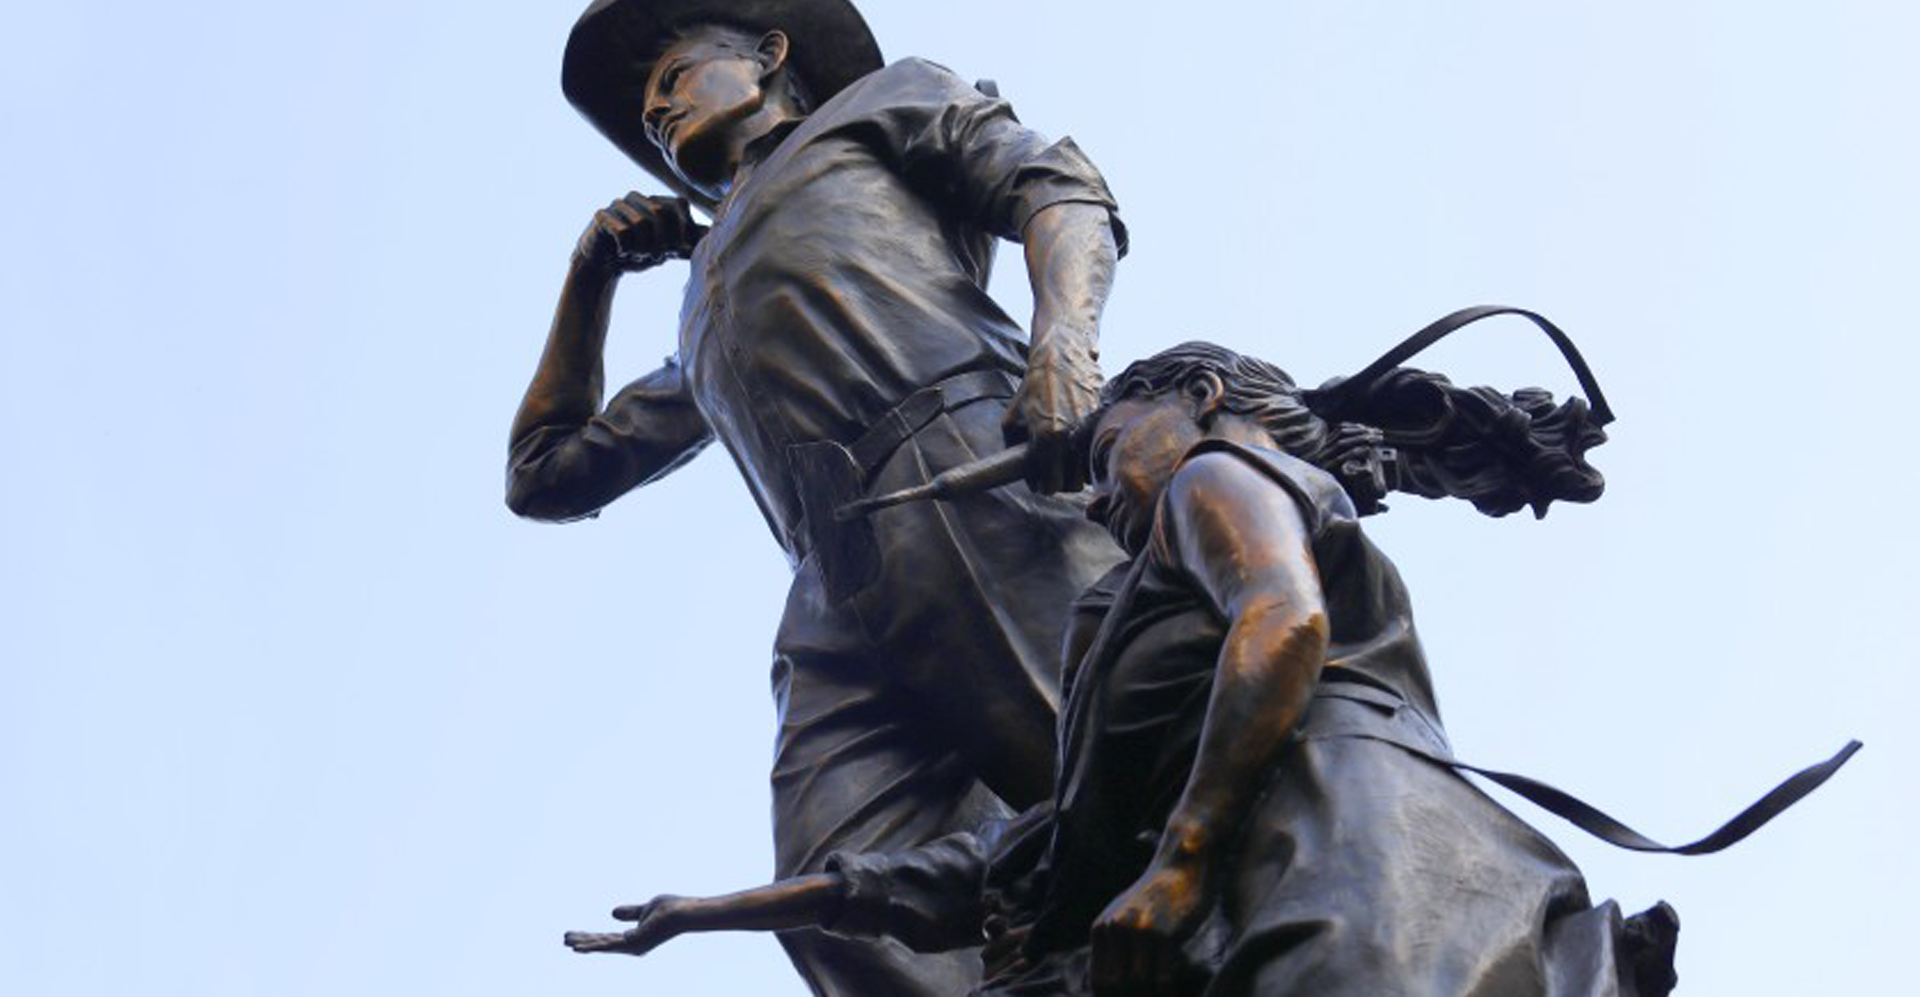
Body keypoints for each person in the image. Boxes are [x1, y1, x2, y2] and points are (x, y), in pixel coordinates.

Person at [565, 342, 1684, 997]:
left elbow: (1282, 623)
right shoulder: (1140, 608)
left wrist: (1181, 865)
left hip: (1352, 860)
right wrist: (711, 910)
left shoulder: (1216, 478)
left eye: (1105, 455)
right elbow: (997, 856)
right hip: (1315, 871)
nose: (1096, 497)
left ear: (1194, 398)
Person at [508, 0, 1128, 997]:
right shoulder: (702, 294)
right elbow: (545, 472)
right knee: (834, 891)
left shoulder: (877, 108)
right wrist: (591, 275)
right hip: (836, 588)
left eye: (673, 73)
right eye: (643, 105)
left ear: (768, 56)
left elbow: (1057, 187)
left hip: (977, 481)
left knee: (1124, 789)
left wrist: (1063, 341)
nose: (654, 106)